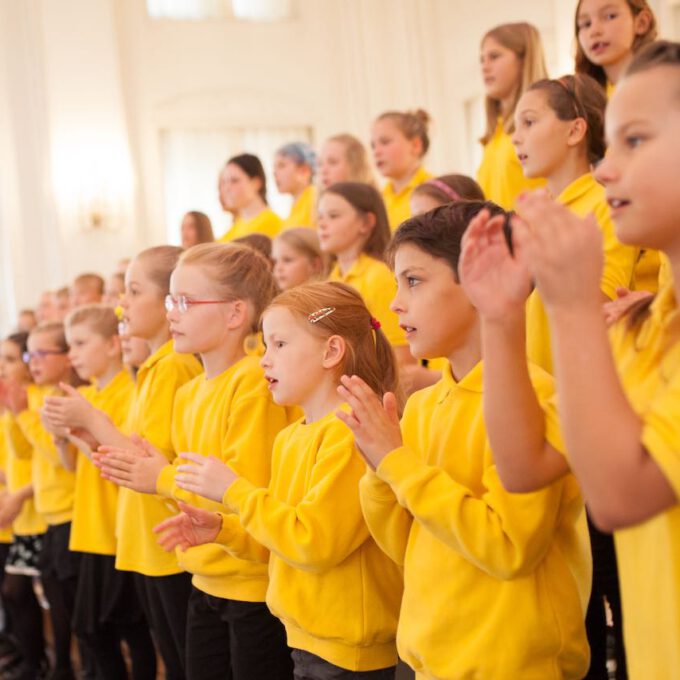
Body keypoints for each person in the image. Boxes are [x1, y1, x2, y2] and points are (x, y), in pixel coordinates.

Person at [341, 201, 590, 679]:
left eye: (413, 281)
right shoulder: (426, 404)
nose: (395, 303)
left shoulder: (534, 399)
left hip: (511, 665)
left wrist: (395, 463)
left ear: (483, 281)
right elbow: (406, 544)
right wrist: (378, 469)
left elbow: (507, 547)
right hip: (428, 656)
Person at [154, 281, 403, 679]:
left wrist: (234, 491)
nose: (264, 361)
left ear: (332, 351)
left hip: (350, 655)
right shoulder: (292, 436)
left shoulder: (351, 435)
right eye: (265, 346)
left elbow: (313, 543)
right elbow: (280, 540)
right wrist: (223, 530)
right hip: (305, 639)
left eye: (280, 345)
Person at [476, 22, 548, 209]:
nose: (485, 66)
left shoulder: (546, 120)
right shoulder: (495, 135)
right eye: (482, 60)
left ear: (524, 59)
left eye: (494, 56)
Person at [371, 110, 432, 230]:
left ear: (415, 145)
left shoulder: (434, 190)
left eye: (385, 142)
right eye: (373, 146)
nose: (376, 152)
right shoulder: (379, 199)